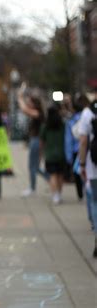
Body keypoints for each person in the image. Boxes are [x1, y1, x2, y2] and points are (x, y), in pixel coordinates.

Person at [18, 85, 48, 197]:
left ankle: (33, 187)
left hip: (36, 141)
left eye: (30, 102)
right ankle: (50, 179)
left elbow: (24, 109)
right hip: (35, 141)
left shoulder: (38, 113)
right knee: (35, 166)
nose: (28, 103)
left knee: (33, 166)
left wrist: (20, 97)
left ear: (35, 104)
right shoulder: (38, 112)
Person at [77, 98, 97, 258]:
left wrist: (82, 164)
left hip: (93, 165)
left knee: (95, 201)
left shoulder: (87, 112)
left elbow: (83, 141)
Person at [40, 104, 66, 204]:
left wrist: (41, 154)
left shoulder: (45, 126)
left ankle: (55, 195)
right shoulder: (62, 124)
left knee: (53, 175)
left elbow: (42, 141)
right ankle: (59, 193)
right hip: (61, 153)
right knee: (60, 175)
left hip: (50, 154)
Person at [65, 93, 88, 201]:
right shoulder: (88, 116)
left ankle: (80, 195)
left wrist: (68, 156)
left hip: (76, 150)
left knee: (78, 173)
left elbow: (69, 140)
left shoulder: (72, 121)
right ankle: (86, 190)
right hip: (88, 150)